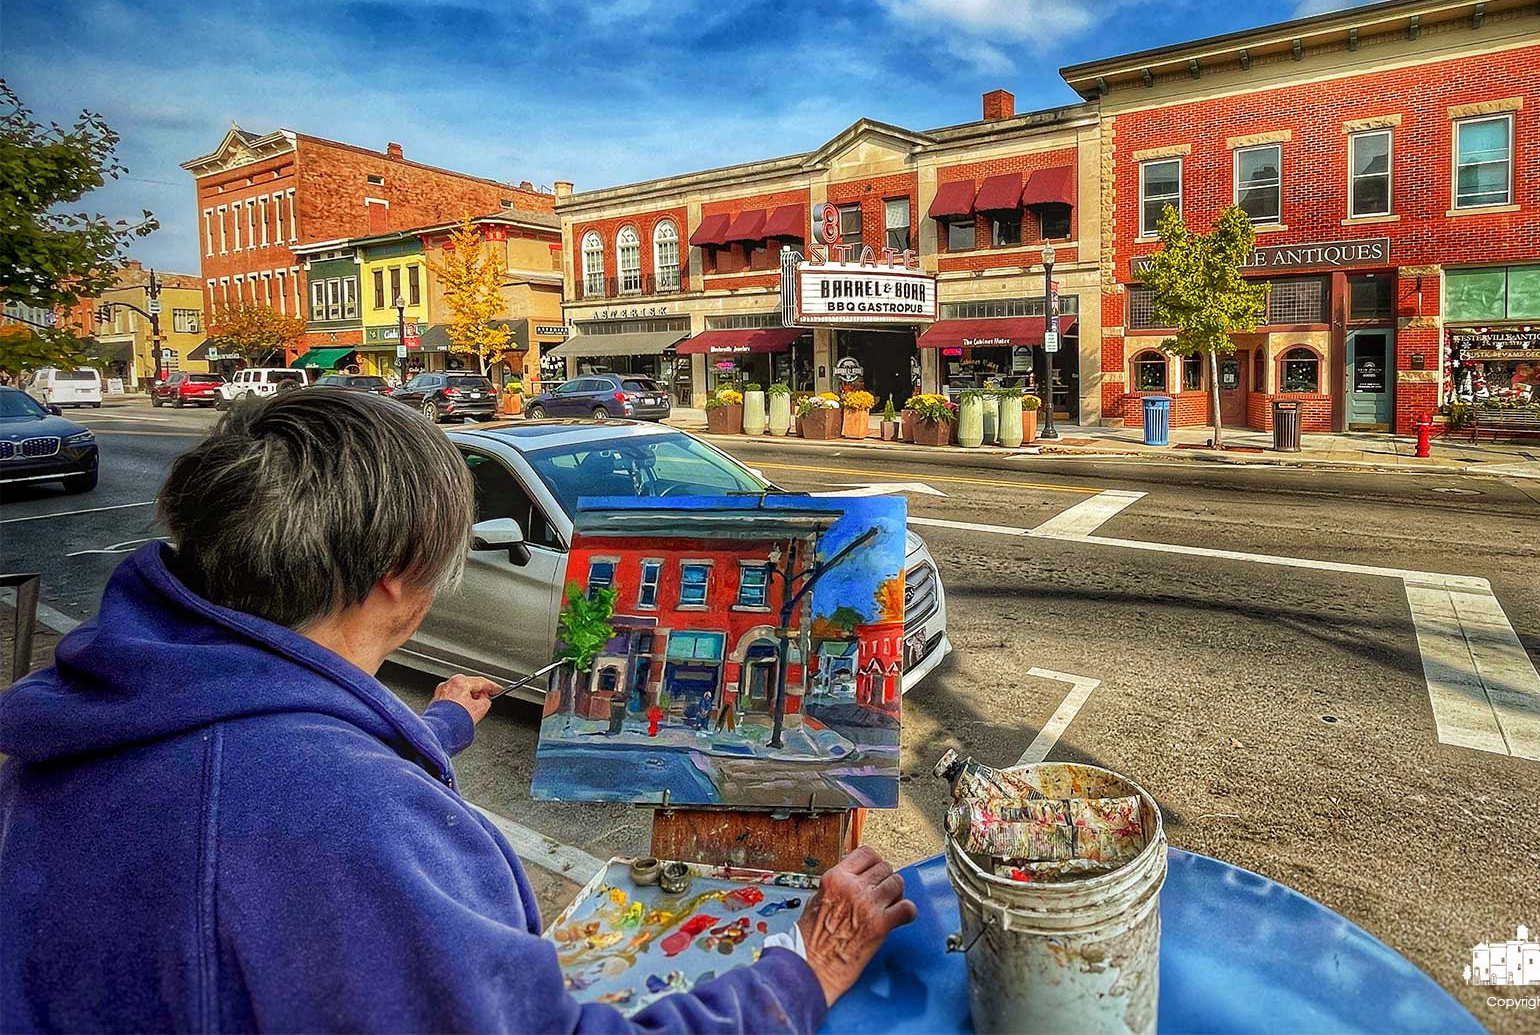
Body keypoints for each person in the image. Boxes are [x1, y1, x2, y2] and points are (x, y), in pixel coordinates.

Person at [0, 388, 914, 1033]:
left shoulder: (91, 720)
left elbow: (255, 752)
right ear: (399, 574)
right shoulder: (342, 823)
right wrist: (807, 967)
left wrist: (434, 726)